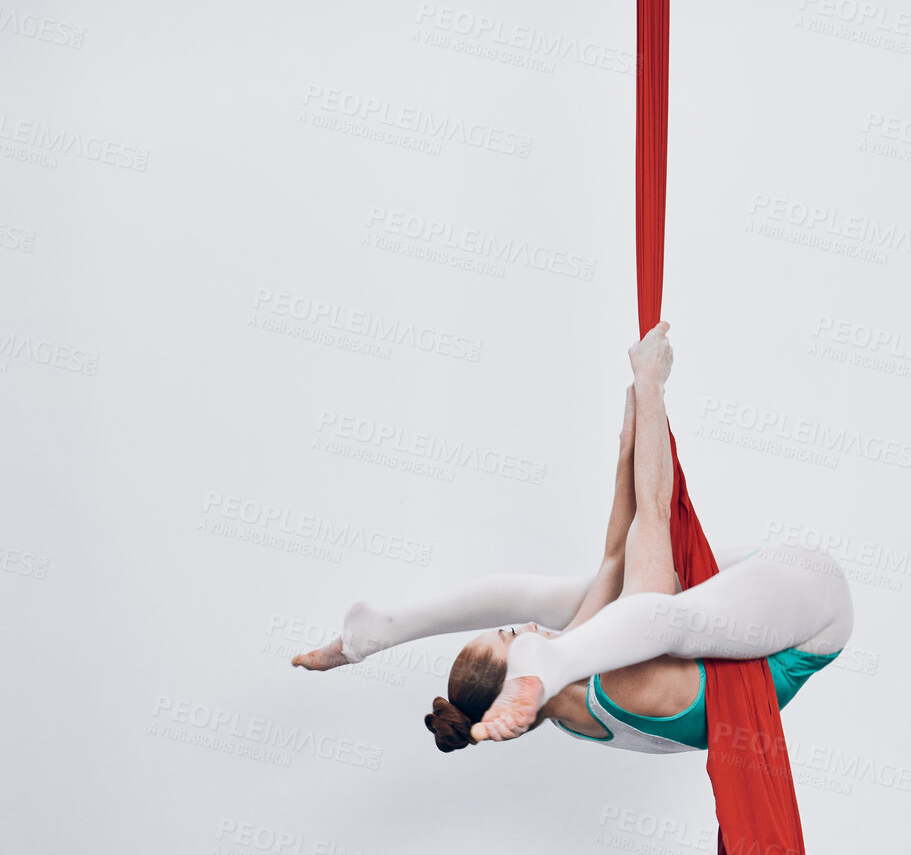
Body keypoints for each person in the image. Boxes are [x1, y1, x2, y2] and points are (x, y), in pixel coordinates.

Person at [292, 323, 853, 754]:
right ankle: (391, 632)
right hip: (811, 607)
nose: (534, 630)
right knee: (664, 619)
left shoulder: (569, 708)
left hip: (737, 594)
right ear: (525, 685)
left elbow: (617, 550)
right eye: (517, 637)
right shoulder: (619, 688)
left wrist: (636, 406)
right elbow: (655, 516)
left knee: (580, 597)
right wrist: (653, 385)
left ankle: (385, 631)